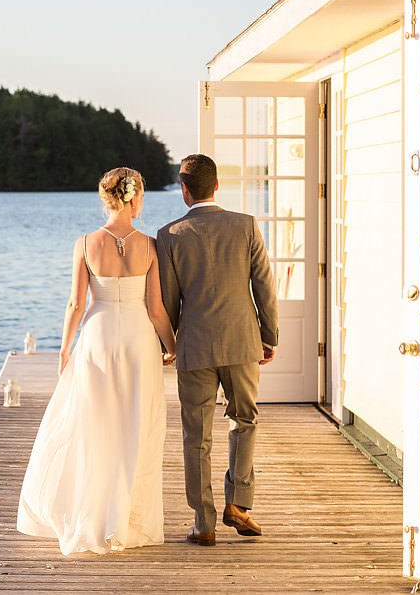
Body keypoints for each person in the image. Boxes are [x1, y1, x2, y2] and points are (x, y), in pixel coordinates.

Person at [16, 167, 176, 555]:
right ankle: (125, 521)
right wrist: (172, 346)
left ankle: (97, 517)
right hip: (138, 338)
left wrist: (64, 348)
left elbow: (75, 304)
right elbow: (156, 309)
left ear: (107, 198)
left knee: (97, 427)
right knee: (136, 427)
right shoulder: (150, 245)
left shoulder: (85, 243)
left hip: (99, 337)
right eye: (142, 197)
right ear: (133, 197)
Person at [156, 154, 277, 547]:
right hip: (243, 341)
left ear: (184, 190)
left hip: (194, 344)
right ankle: (239, 504)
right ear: (217, 185)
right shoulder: (245, 225)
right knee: (245, 421)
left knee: (197, 435)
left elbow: (168, 300)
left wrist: (169, 344)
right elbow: (264, 286)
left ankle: (203, 522)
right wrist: (269, 335)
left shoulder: (169, 234)